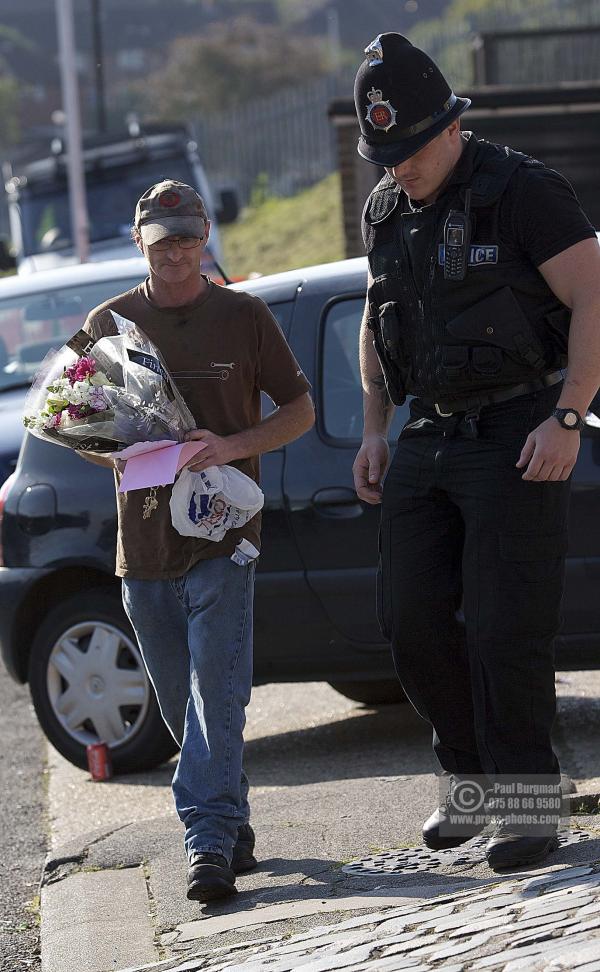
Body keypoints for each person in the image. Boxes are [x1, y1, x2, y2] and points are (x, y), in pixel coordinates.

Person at [351, 33, 600, 870]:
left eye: (410, 149)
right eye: (384, 154)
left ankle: (526, 806)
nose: (398, 168)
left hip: (520, 422)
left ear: (451, 125)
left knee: (504, 627)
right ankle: (470, 788)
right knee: (409, 624)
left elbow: (595, 293)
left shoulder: (524, 191)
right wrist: (376, 427)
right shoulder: (386, 209)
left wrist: (568, 416)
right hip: (430, 427)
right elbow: (376, 318)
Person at [81, 180, 314, 901]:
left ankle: (206, 843)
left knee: (219, 695)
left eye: (187, 238)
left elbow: (299, 409)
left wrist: (232, 444)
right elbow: (81, 426)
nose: (176, 253)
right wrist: (122, 449)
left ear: (206, 234)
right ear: (139, 242)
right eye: (162, 241)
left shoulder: (242, 315)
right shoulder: (110, 320)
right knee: (185, 710)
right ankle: (231, 819)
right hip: (144, 550)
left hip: (224, 538)